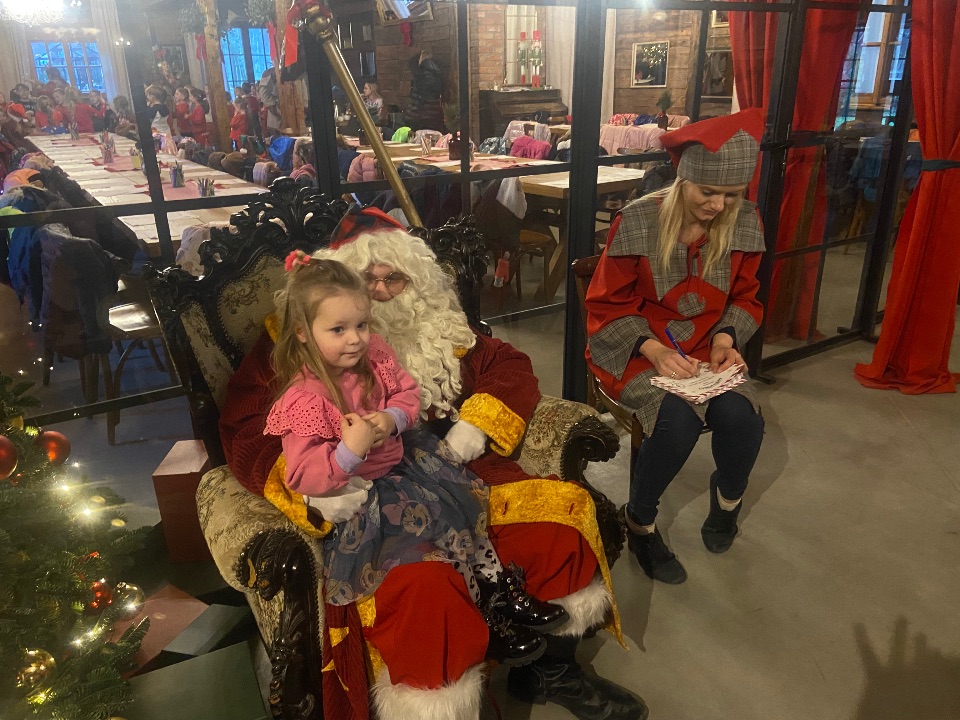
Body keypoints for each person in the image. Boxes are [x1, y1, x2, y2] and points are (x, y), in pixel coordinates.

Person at [218, 210, 647, 720]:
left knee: (559, 525)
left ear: (417, 282)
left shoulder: (440, 328)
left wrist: (478, 423)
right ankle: (444, 707)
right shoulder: (295, 341)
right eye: (368, 279)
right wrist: (314, 488)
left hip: (450, 472)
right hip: (366, 499)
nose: (381, 292)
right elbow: (243, 424)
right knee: (424, 589)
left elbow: (508, 365)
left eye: (394, 279)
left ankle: (550, 669)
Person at [266, 253, 566, 666]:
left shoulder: (375, 354)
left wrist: (392, 418)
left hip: (410, 462)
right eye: (338, 329)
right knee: (435, 539)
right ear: (302, 332)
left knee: (462, 512)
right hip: (369, 494)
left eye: (361, 325)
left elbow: (406, 393)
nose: (355, 339)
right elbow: (302, 475)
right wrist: (349, 451)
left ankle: (499, 590)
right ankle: (483, 617)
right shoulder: (304, 398)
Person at [585, 108, 768, 585]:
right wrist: (654, 349)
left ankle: (728, 501)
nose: (719, 205)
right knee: (677, 422)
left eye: (732, 194)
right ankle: (640, 522)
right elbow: (605, 304)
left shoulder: (745, 221)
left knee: (743, 419)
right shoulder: (638, 220)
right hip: (635, 348)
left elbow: (746, 297)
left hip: (707, 347)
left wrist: (726, 337)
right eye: (707, 191)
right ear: (683, 180)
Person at [408, 49, 444, 131]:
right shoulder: (437, 74)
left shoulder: (419, 74)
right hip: (434, 114)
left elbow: (417, 97)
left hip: (420, 114)